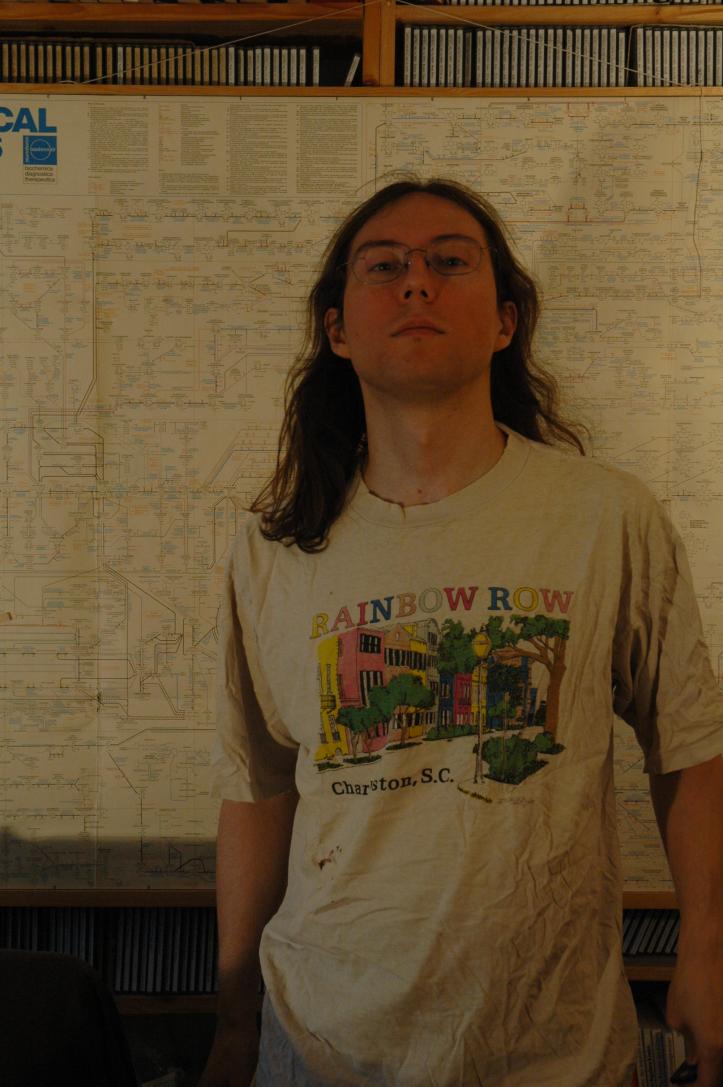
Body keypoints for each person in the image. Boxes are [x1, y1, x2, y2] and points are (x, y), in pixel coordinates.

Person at [201, 178, 723, 1087]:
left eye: (449, 261)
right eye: (383, 266)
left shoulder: (605, 516)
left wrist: (708, 953)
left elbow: (689, 745)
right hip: (322, 1048)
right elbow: (258, 788)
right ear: (336, 329)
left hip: (552, 1054)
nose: (416, 282)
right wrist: (235, 1019)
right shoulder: (274, 547)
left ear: (504, 321)